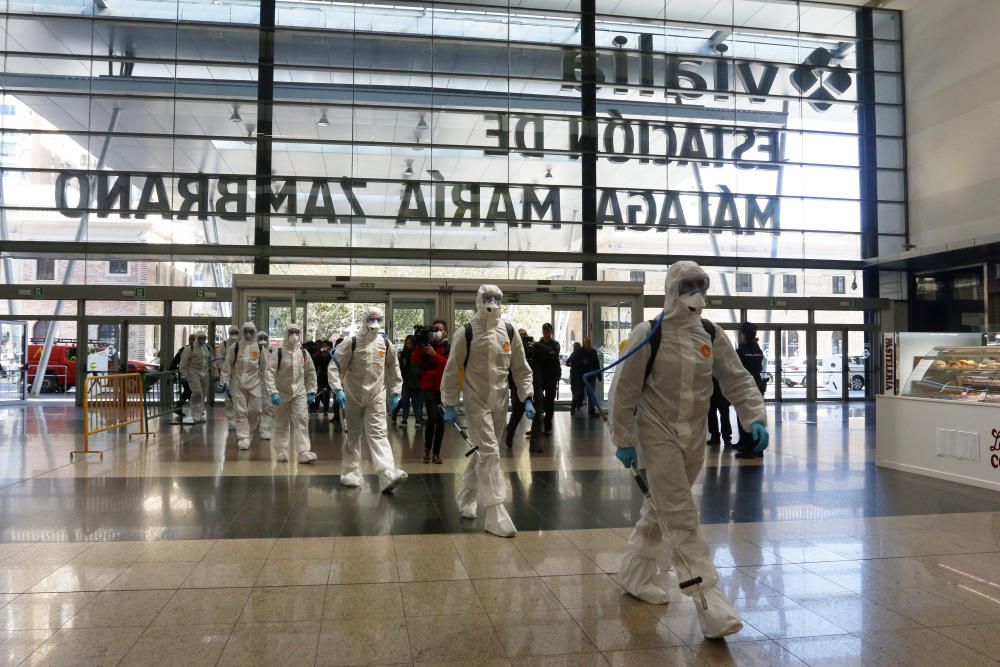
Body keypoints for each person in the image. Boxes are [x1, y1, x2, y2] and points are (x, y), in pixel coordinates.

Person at [609, 261, 769, 639]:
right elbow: (624, 389)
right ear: (671, 288)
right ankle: (708, 599)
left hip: (694, 436)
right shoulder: (648, 333)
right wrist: (624, 439)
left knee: (660, 509)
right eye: (687, 285)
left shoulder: (711, 334)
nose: (695, 292)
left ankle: (634, 575)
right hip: (657, 433)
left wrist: (754, 416)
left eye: (701, 284)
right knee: (680, 513)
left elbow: (735, 378)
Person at [442, 285, 535, 537]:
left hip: (499, 402)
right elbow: (452, 369)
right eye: (487, 298)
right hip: (476, 402)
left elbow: (520, 367)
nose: (492, 302)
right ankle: (495, 513)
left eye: (496, 298)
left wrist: (526, 397)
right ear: (478, 301)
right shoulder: (468, 331)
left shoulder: (509, 331)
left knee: (483, 452)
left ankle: (466, 497)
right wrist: (449, 403)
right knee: (491, 452)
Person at [330, 307, 407, 492]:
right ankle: (350, 472)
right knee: (352, 435)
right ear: (364, 320)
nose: (374, 323)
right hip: (351, 395)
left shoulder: (386, 344)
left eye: (378, 319)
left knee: (379, 433)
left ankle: (387, 474)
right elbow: (335, 366)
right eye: (371, 319)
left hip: (376, 396)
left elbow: (394, 370)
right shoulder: (351, 342)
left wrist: (396, 392)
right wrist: (337, 389)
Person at [265, 323, 318, 463]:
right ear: (286, 334)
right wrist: (273, 392)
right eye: (291, 332)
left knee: (301, 419)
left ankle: (304, 452)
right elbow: (269, 373)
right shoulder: (278, 353)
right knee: (281, 422)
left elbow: (310, 372)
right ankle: (281, 450)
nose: (294, 335)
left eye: (297, 332)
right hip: (281, 392)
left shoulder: (304, 353)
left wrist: (311, 391)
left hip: (299, 392)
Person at [220, 322, 271, 450]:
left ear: (254, 332)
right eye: (246, 331)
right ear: (242, 332)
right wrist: (224, 382)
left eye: (251, 331)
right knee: (241, 412)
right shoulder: (235, 347)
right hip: (238, 384)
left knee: (256, 410)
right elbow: (227, 366)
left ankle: (248, 431)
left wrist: (270, 386)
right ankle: (243, 437)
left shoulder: (259, 348)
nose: (248, 334)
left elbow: (265, 369)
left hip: (255, 384)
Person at [413, 320, 449, 463]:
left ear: (445, 331)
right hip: (427, 386)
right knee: (433, 416)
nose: (437, 331)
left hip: (442, 387)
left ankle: (436, 453)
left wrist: (435, 355)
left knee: (440, 421)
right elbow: (416, 361)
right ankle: (427, 449)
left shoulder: (448, 347)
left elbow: (449, 365)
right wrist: (419, 345)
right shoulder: (426, 345)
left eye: (440, 329)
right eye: (435, 329)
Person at [734, 322, 768, 459]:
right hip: (757, 383)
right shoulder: (757, 349)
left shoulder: (741, 351)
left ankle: (749, 448)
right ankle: (753, 447)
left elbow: (737, 368)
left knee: (745, 415)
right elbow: (759, 367)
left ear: (744, 334)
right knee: (755, 414)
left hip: (745, 384)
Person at [505, 328, 537, 450]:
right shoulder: (511, 347)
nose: (523, 338)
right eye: (521, 335)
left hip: (533, 384)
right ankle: (510, 433)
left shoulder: (533, 348)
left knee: (537, 412)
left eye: (525, 335)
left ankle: (535, 440)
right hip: (516, 385)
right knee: (517, 412)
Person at [179, 331, 213, 425]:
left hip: (205, 373)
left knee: (203, 393)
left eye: (204, 338)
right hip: (193, 373)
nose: (202, 340)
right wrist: (184, 374)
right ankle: (194, 414)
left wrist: (214, 373)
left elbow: (211, 361)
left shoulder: (207, 348)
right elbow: (183, 362)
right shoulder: (189, 349)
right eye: (200, 338)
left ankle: (200, 412)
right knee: (197, 392)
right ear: (197, 338)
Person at [393, 335, 424, 427]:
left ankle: (418, 419)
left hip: (417, 381)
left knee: (416, 401)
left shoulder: (418, 354)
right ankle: (404, 419)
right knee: (405, 401)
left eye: (410, 343)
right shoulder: (403, 354)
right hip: (406, 381)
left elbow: (421, 367)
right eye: (406, 343)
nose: (408, 345)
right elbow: (399, 367)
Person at [567, 337, 601, 417]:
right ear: (584, 342)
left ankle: (591, 411)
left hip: (591, 377)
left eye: (589, 342)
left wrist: (599, 376)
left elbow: (596, 364)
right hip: (581, 377)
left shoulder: (593, 352)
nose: (588, 343)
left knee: (591, 394)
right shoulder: (579, 352)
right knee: (578, 393)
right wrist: (582, 362)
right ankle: (573, 406)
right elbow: (572, 362)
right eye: (586, 342)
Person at [216, 326, 240, 430]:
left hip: (240, 375)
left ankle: (240, 420)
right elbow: (219, 360)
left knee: (240, 398)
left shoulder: (241, 345)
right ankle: (231, 420)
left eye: (236, 332)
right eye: (233, 332)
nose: (234, 334)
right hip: (228, 375)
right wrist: (225, 372)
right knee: (229, 398)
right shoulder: (224, 345)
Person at [169, 333, 195, 417]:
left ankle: (181, 408)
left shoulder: (198, 350)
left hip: (192, 374)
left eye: (194, 339)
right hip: (184, 374)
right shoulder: (184, 349)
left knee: (189, 391)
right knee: (189, 390)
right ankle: (179, 407)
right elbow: (175, 360)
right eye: (191, 339)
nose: (192, 341)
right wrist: (172, 371)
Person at [257, 331, 273, 440]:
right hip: (253, 383)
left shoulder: (272, 352)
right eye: (260, 337)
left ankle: (265, 429)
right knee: (252, 409)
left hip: (267, 383)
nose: (263, 340)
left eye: (265, 337)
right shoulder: (252, 351)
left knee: (267, 407)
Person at [707, 379, 733, 447]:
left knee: (723, 414)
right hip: (713, 388)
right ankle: (718, 436)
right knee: (713, 414)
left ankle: (724, 436)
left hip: (721, 388)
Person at [313, 340, 333, 415]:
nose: (323, 347)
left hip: (328, 376)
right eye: (323, 345)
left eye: (325, 345)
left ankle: (325, 410)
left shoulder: (331, 354)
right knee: (318, 393)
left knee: (326, 394)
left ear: (329, 346)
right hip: (320, 376)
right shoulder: (320, 353)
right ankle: (318, 408)